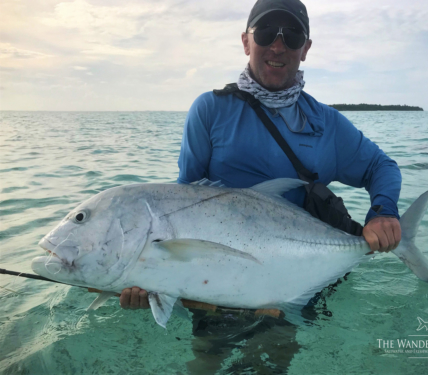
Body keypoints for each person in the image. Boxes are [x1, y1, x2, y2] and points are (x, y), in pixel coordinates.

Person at [118, 0, 402, 372]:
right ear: (246, 41)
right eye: (267, 33)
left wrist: (383, 212)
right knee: (206, 360)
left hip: (292, 277)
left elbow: (382, 167)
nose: (278, 46)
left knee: (271, 361)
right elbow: (180, 205)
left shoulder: (327, 124)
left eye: (292, 35)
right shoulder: (211, 110)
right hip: (216, 280)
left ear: (307, 47)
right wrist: (146, 275)